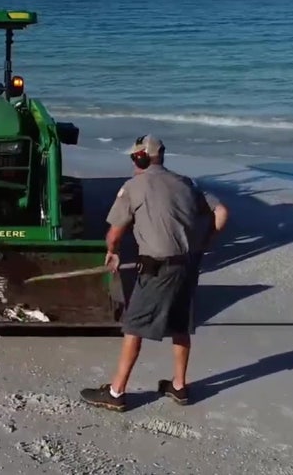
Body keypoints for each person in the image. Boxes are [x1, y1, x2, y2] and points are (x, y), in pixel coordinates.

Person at [79, 134, 227, 411]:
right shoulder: (186, 183)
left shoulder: (134, 187)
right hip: (187, 265)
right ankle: (180, 387)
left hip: (157, 269)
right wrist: (205, 243)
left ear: (140, 158)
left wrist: (113, 252)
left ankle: (116, 392)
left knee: (134, 327)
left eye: (134, 157)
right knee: (181, 327)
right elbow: (221, 212)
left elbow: (115, 232)